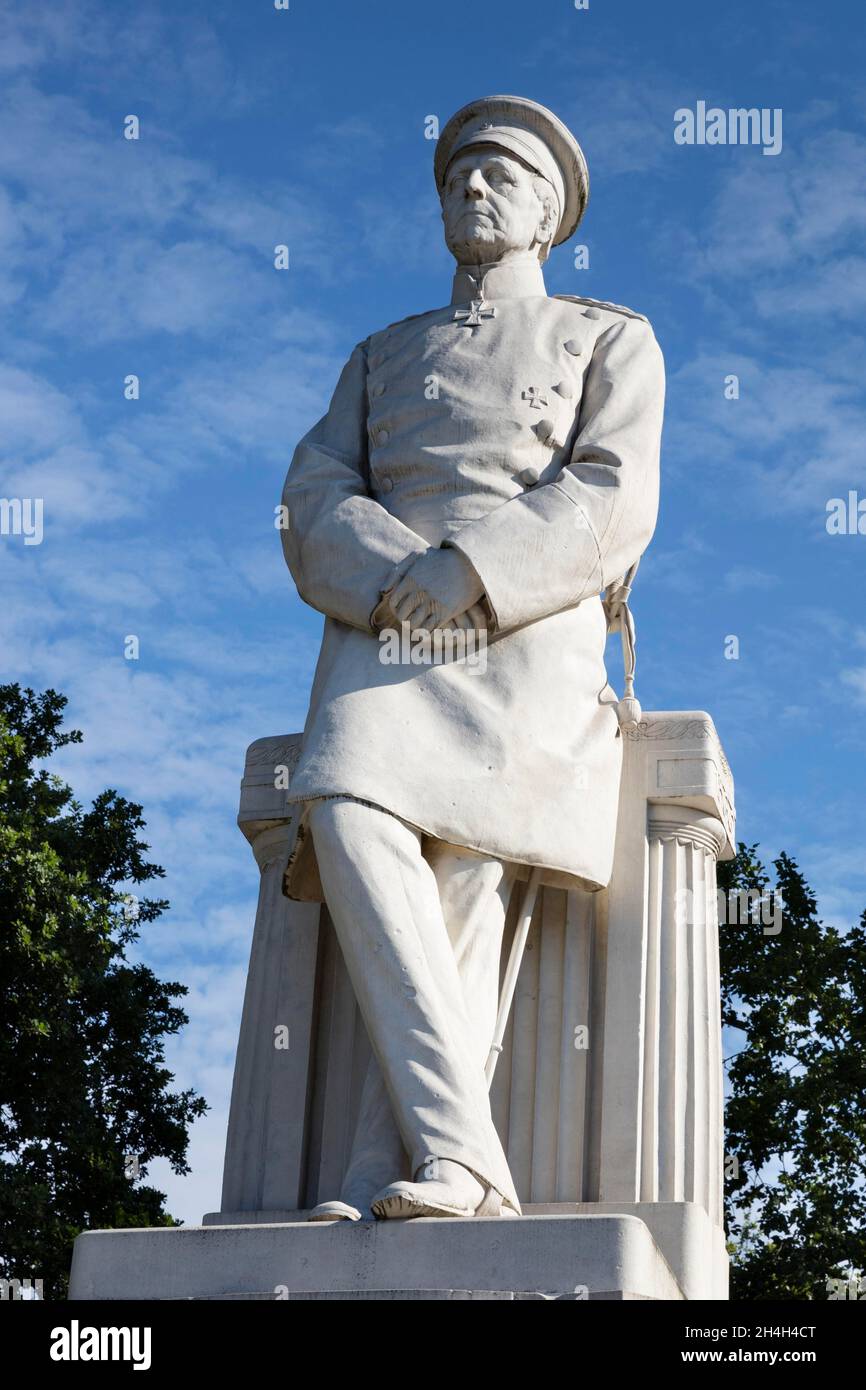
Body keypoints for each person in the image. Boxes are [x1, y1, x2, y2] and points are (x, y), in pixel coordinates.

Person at [279, 95, 665, 1220]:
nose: (474, 189)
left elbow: (611, 488)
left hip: (525, 626)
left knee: (466, 868)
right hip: (387, 623)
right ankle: (467, 1159)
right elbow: (310, 497)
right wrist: (401, 574)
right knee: (344, 797)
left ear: (548, 214)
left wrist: (475, 571)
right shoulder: (379, 353)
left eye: (501, 176)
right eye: (458, 177)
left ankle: (393, 1166)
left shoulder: (606, 335)